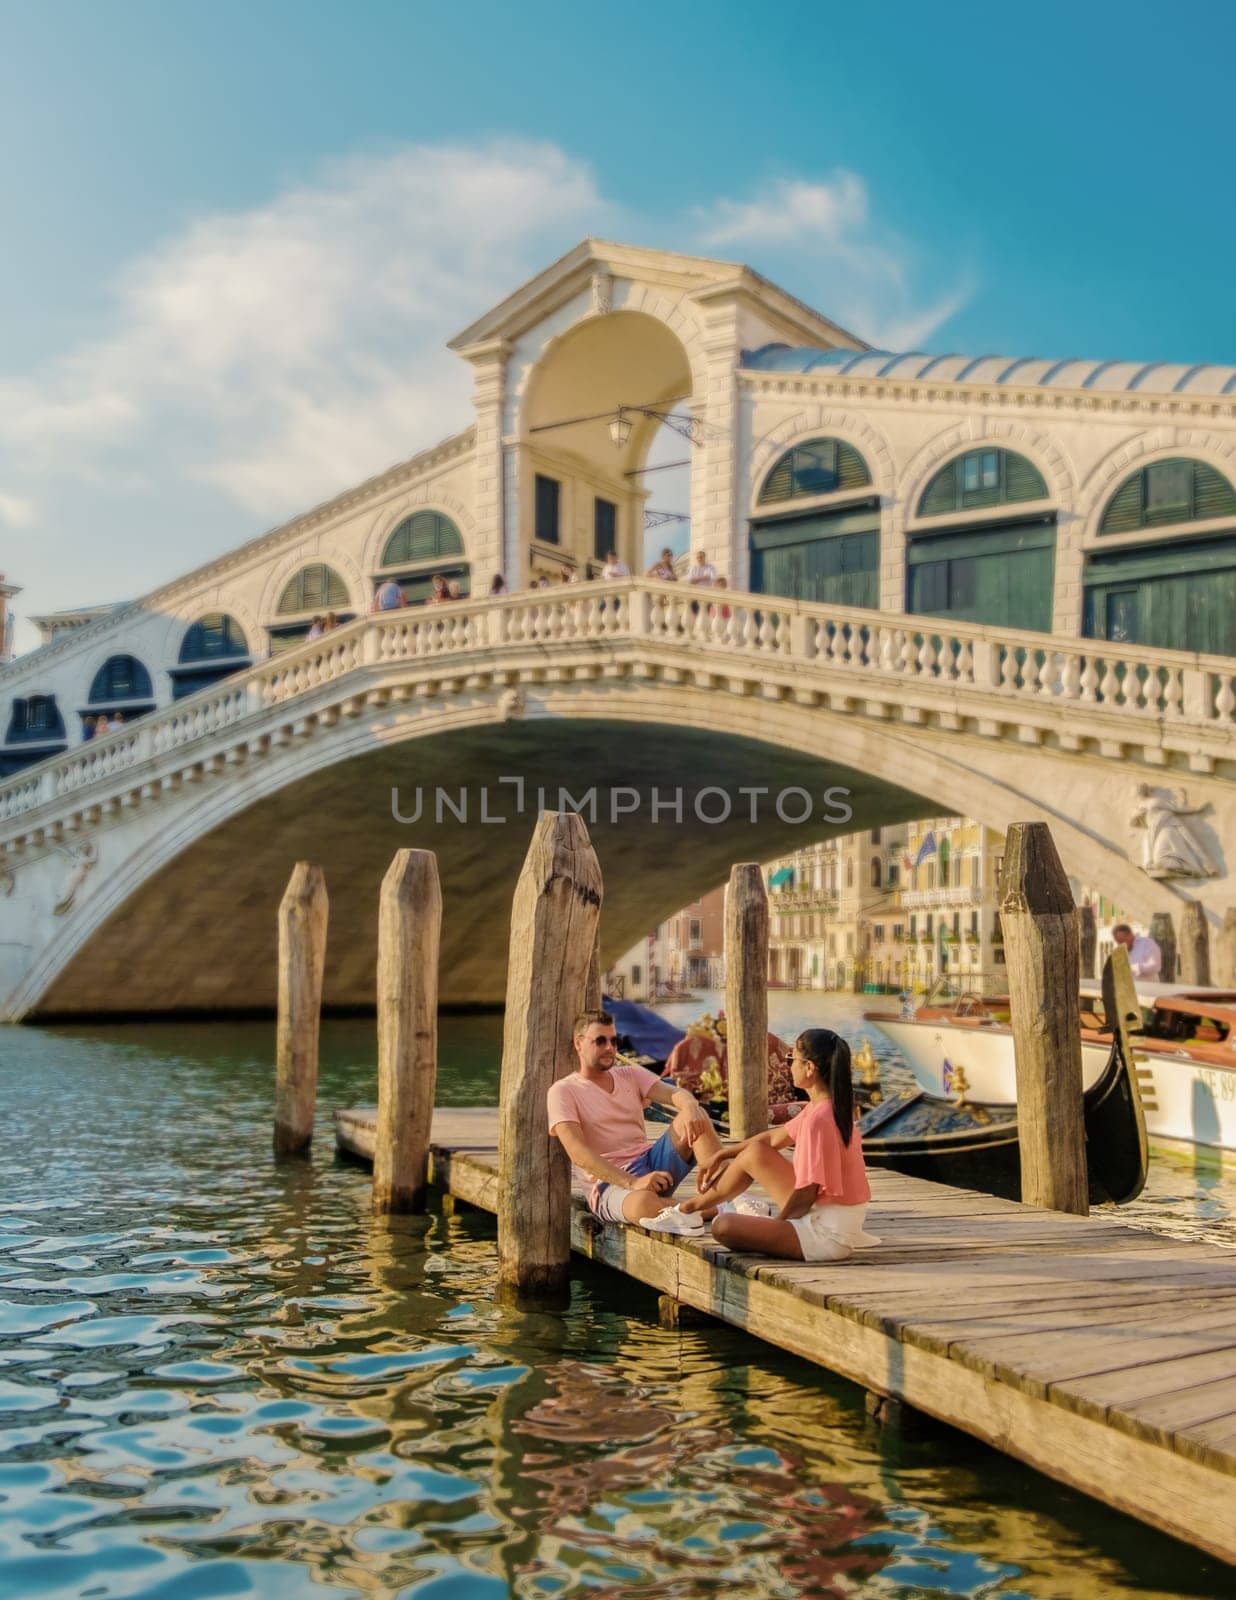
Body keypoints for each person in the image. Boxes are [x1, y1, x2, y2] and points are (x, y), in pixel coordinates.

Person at [645, 1029, 880, 1263]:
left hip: (827, 1234)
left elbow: (807, 1193)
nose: (789, 1066)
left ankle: (691, 1212)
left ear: (809, 1068)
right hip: (826, 1213)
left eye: (792, 1059)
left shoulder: (819, 1120)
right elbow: (771, 1140)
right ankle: (687, 1211)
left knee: (723, 1227)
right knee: (754, 1153)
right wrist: (723, 1154)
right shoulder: (822, 1107)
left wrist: (777, 1228)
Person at [547, 1011, 723, 1227]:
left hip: (652, 1166)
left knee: (696, 1115)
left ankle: (725, 1196)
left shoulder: (630, 1075)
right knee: (642, 1205)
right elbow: (578, 1153)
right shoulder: (563, 1091)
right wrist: (633, 1182)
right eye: (600, 1041)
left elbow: (676, 1094)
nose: (610, 1048)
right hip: (609, 1184)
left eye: (614, 1040)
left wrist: (689, 1105)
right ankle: (709, 1209)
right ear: (579, 1043)